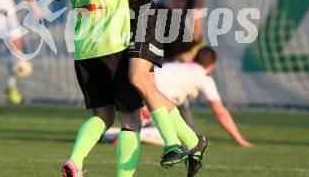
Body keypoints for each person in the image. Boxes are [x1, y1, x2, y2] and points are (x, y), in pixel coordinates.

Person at [58, 0, 208, 176]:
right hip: (118, 20)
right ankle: (192, 141)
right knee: (145, 87)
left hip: (141, 12)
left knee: (138, 81)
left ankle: (172, 143)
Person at [53, 0, 151, 177]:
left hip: (85, 46)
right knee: (131, 117)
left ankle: (75, 160)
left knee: (102, 116)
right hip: (114, 43)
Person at [104, 47, 253, 149]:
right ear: (212, 66)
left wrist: (195, 136)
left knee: (135, 125)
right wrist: (239, 140)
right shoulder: (203, 77)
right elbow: (220, 111)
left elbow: (183, 113)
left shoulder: (178, 67)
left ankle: (109, 134)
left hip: (135, 94)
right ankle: (137, 135)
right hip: (149, 103)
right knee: (172, 136)